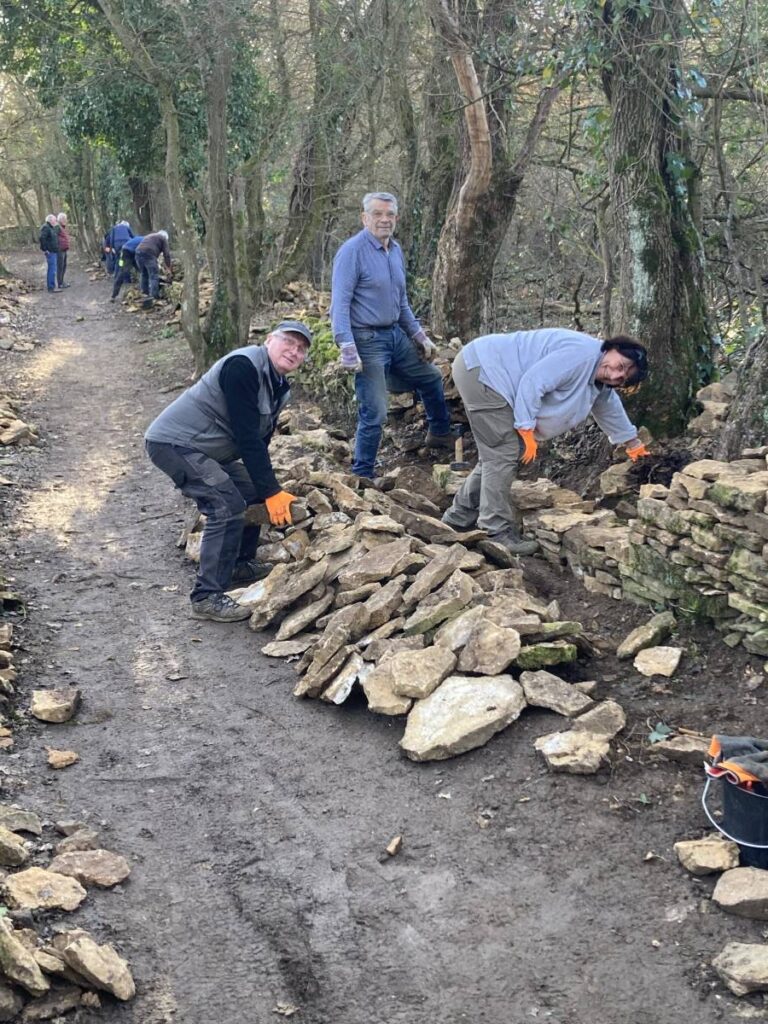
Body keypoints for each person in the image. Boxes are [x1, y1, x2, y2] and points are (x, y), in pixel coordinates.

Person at [144, 321, 312, 622]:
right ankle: (207, 596)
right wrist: (272, 491)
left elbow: (260, 440)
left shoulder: (278, 386)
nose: (294, 351)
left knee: (251, 490)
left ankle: (238, 563)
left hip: (204, 448)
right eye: (288, 342)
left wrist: (267, 489)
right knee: (226, 504)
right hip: (174, 444)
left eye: (301, 349)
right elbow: (247, 437)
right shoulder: (242, 367)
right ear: (269, 340)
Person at [441, 329, 651, 554]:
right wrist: (525, 427)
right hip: (484, 370)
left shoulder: (597, 377)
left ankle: (458, 518)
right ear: (613, 348)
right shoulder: (582, 355)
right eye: (620, 365)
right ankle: (495, 531)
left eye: (622, 378)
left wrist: (633, 444)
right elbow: (533, 382)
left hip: (484, 369)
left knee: (498, 456)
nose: (616, 374)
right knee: (503, 454)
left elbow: (609, 408)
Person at [330, 191, 454, 480]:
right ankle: (363, 474)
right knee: (375, 410)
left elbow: (401, 302)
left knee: (432, 377)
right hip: (366, 340)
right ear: (364, 218)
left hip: (395, 335)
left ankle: (439, 433)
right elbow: (340, 304)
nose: (384, 219)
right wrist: (346, 344)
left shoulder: (395, 250)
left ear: (396, 218)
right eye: (377, 214)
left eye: (389, 214)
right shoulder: (352, 252)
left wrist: (419, 336)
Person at [136, 230, 172, 308]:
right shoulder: (163, 238)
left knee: (144, 274)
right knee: (154, 275)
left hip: (138, 253)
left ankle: (145, 294)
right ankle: (154, 296)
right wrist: (168, 268)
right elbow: (167, 254)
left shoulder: (150, 236)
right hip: (149, 253)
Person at [110, 234, 144, 302]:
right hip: (127, 252)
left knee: (142, 270)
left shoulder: (143, 238)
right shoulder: (147, 241)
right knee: (123, 272)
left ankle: (144, 289)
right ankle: (114, 295)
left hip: (129, 251)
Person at [39, 214, 60, 293]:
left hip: (53, 251)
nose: (56, 221)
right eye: (54, 220)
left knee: (53, 269)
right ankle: (51, 287)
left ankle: (52, 286)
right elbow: (42, 238)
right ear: (50, 220)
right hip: (50, 252)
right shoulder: (46, 227)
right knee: (52, 269)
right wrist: (45, 249)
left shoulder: (51, 228)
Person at [55, 213, 71, 289]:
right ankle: (60, 283)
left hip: (64, 249)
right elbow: (54, 237)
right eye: (64, 219)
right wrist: (57, 246)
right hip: (60, 250)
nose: (66, 221)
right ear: (60, 219)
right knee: (60, 267)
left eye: (66, 219)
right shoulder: (57, 227)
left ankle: (62, 281)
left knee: (64, 266)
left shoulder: (62, 227)